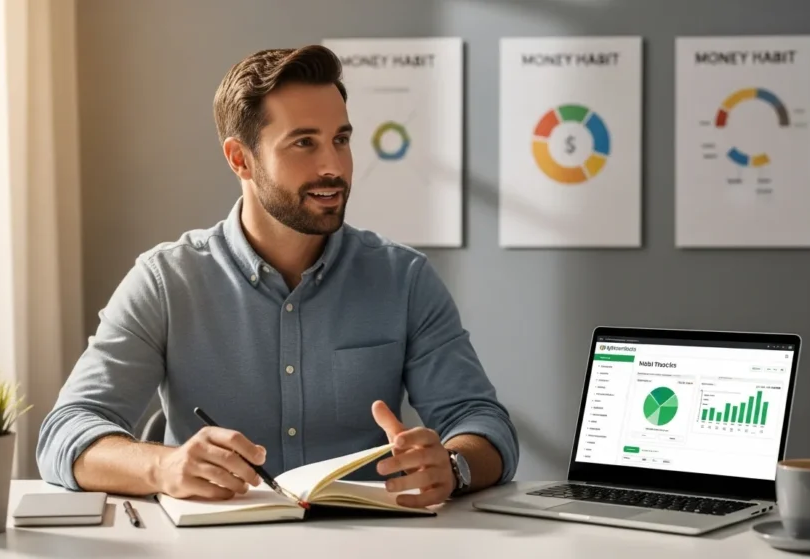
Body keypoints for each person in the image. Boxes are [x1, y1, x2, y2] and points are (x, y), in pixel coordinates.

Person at [36, 45, 518, 509]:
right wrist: (164, 466)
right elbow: (65, 432)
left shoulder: (403, 278)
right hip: (213, 546)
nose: (333, 166)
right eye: (304, 143)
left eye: (341, 140)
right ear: (240, 159)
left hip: (365, 543)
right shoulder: (166, 282)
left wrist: (453, 466)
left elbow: (482, 422)